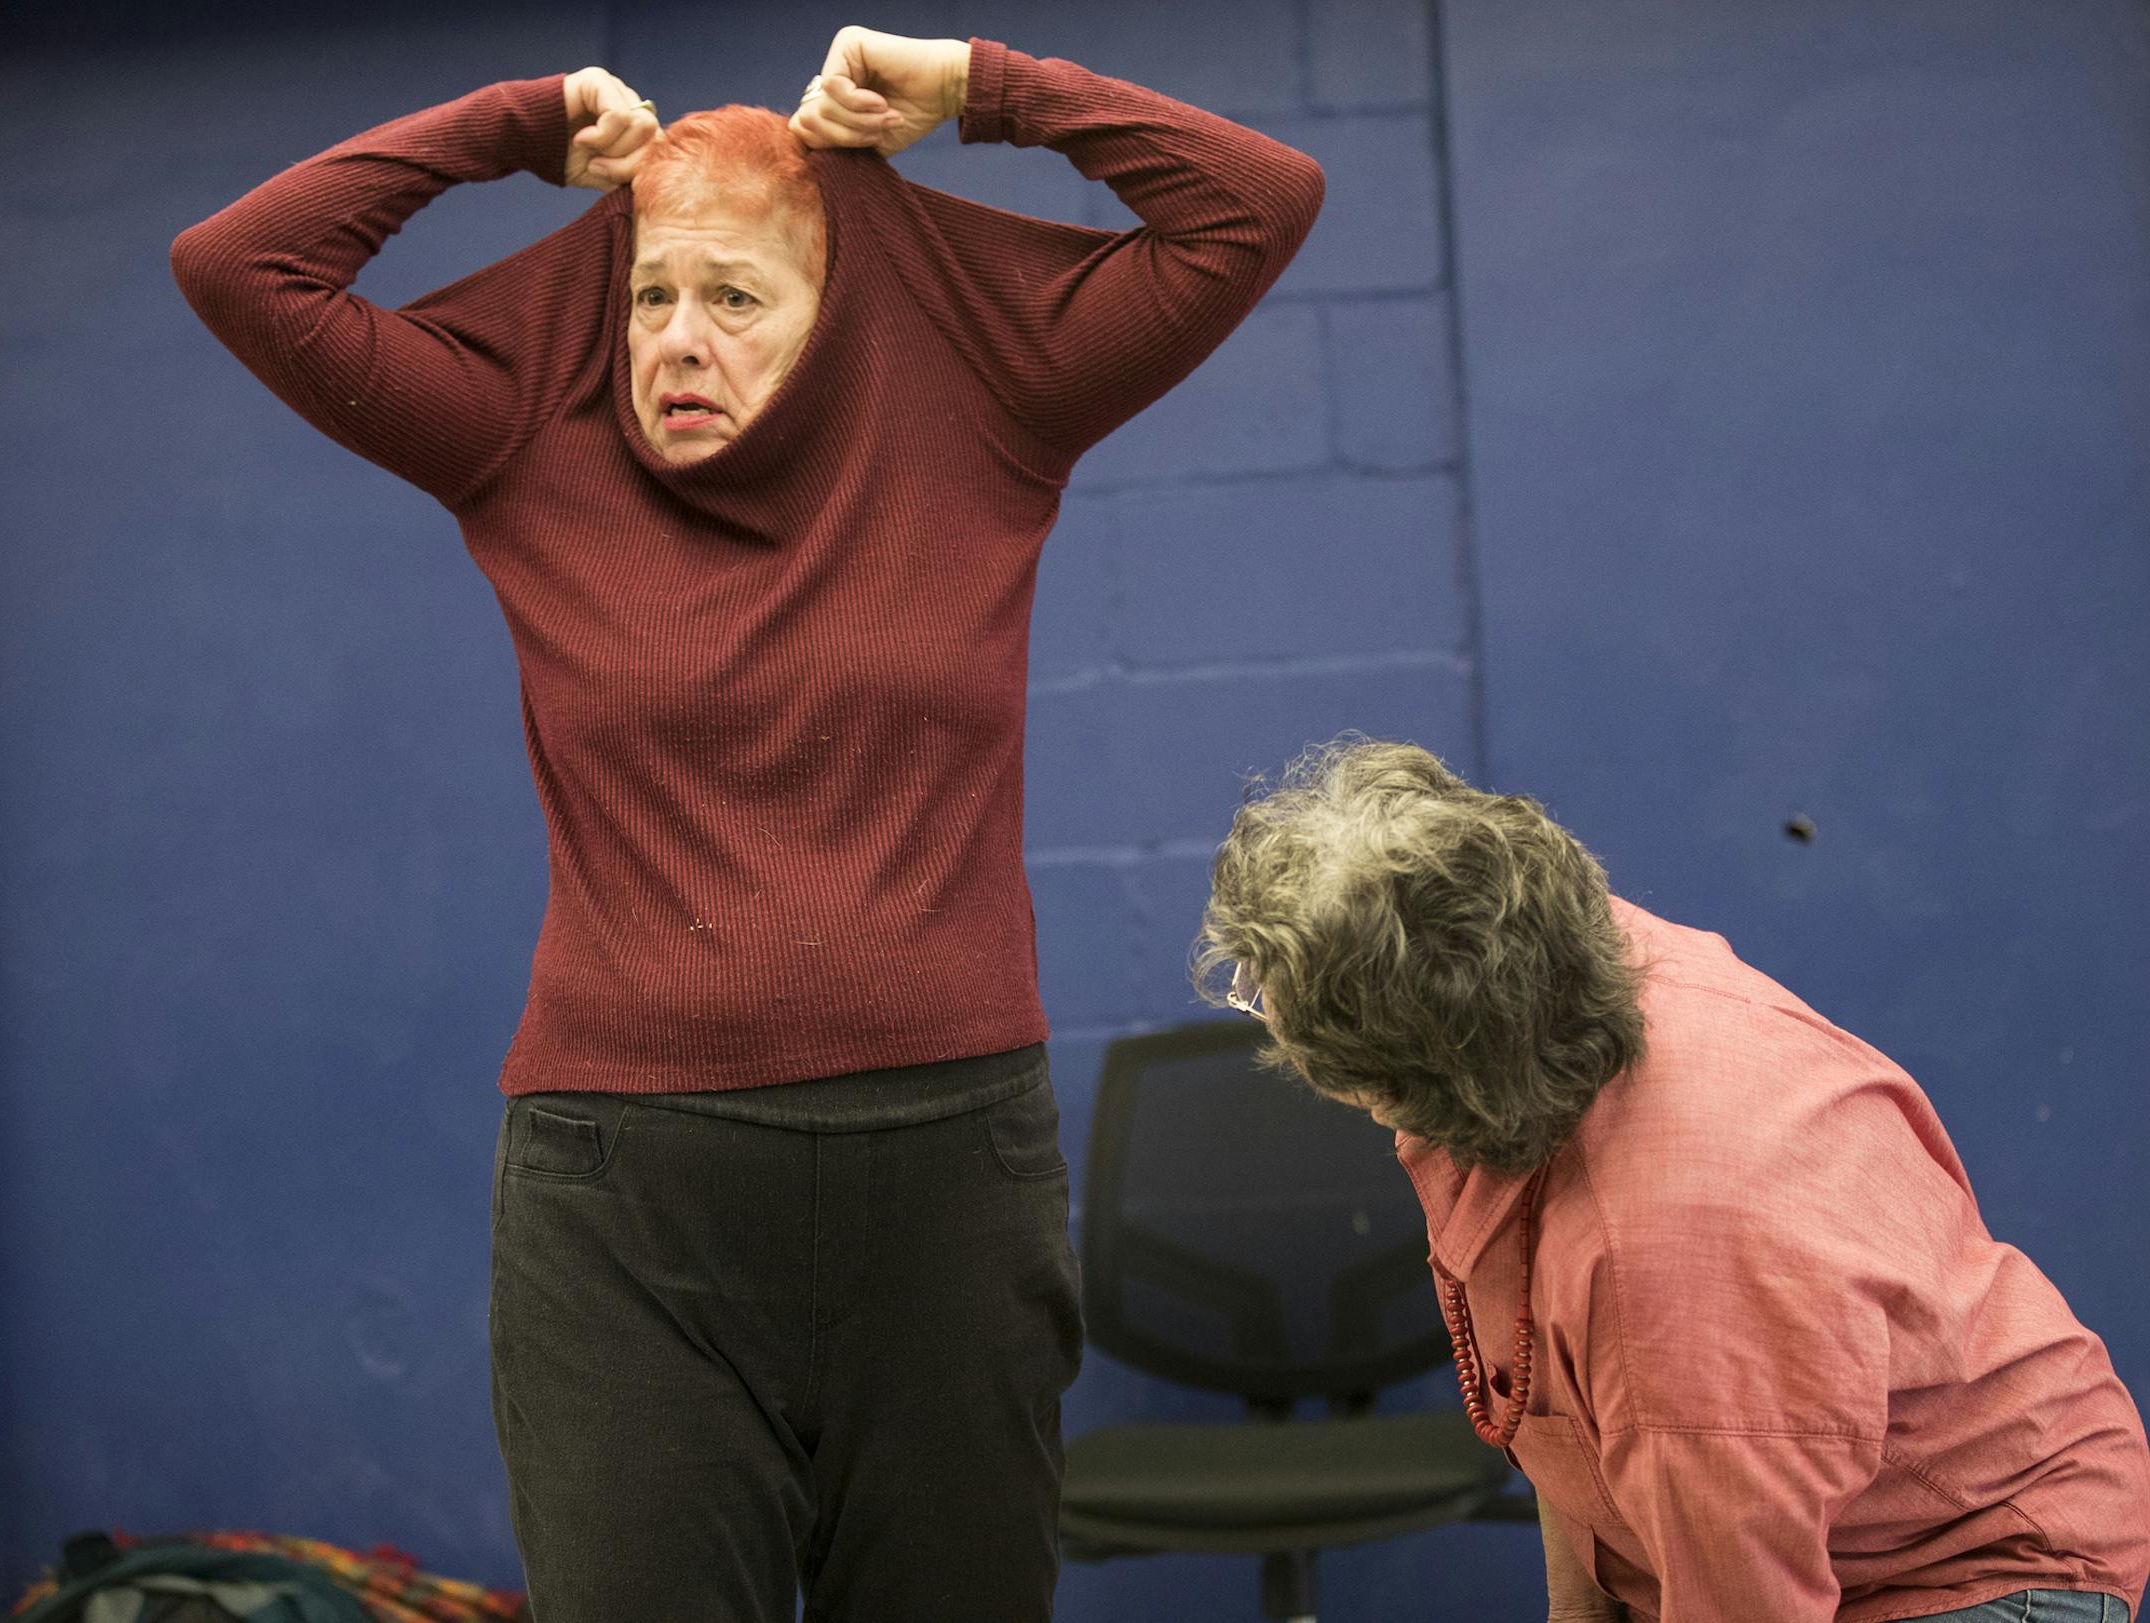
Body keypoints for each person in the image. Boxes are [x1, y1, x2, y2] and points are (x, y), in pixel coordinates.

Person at [172, 27, 1322, 1623]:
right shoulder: (523, 427)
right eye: (650, 294)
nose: (677, 340)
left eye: (733, 297)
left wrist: (983, 88)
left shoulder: (987, 398)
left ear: (831, 305)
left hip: (947, 1179)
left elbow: (1257, 203)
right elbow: (238, 267)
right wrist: (506, 126)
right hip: (627, 1201)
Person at [1197, 737, 2150, 1623]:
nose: (1264, 1012)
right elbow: (1560, 1392)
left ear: (1418, 1060)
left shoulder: (1671, 1266)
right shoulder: (1537, 954)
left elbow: (1744, 1597)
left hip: (1969, 1563)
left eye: (1272, 998)